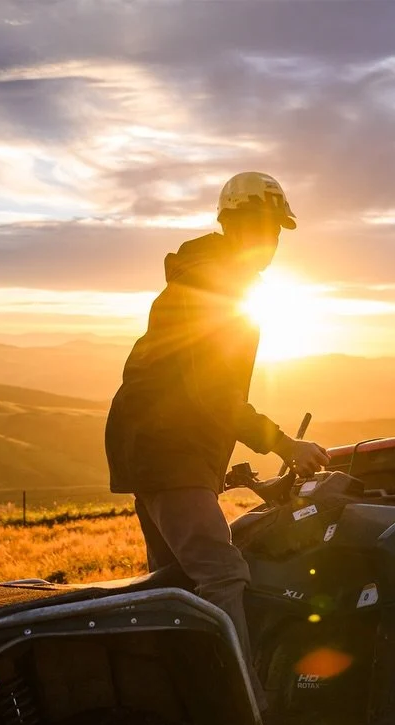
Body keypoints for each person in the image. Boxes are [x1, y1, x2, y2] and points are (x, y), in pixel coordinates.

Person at [104, 171, 331, 695]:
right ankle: (243, 705)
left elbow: (189, 390)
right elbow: (214, 395)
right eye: (261, 227)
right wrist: (284, 443)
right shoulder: (213, 286)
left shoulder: (209, 277)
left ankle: (173, 695)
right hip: (167, 452)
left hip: (158, 448)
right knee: (223, 574)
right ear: (233, 224)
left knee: (174, 582)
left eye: (275, 231)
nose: (270, 242)